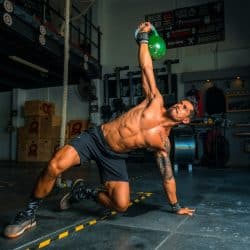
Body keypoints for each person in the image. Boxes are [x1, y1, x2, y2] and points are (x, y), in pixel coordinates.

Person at [4, 22, 195, 239]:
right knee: (54, 165)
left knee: (121, 205)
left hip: (114, 157)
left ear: (186, 121)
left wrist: (176, 206)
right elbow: (146, 67)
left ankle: (84, 191)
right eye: (180, 103)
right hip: (96, 138)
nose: (179, 106)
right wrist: (143, 38)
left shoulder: (163, 142)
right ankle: (28, 213)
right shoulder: (154, 100)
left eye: (184, 109)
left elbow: (167, 176)